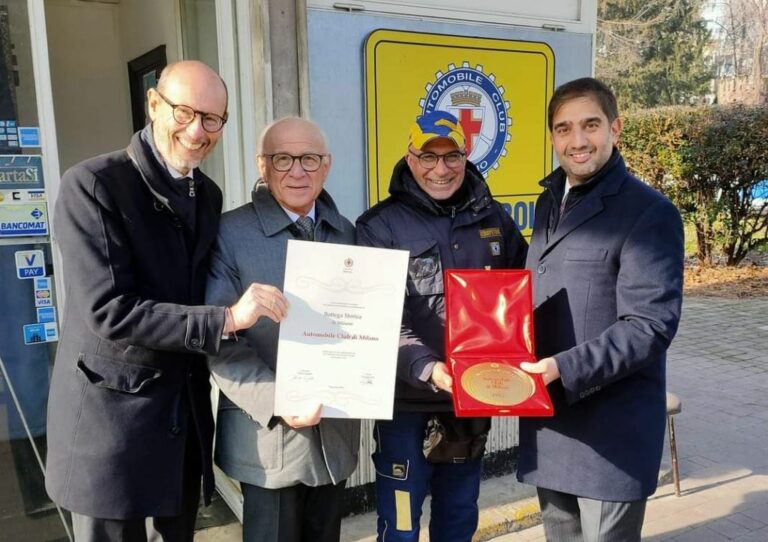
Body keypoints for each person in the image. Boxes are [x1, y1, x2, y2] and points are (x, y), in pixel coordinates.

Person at [46, 60, 275, 541]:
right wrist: (227, 319)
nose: (197, 131)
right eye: (185, 112)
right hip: (113, 437)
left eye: (212, 119)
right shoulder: (93, 185)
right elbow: (110, 311)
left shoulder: (207, 194)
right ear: (153, 104)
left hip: (182, 429)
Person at [517, 77, 685, 541]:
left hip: (611, 434)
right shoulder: (550, 201)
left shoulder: (649, 212)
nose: (577, 140)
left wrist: (559, 367)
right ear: (552, 136)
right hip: (551, 428)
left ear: (615, 128)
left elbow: (649, 326)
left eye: (589, 125)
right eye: (563, 128)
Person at [356, 110, 528, 541]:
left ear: (466, 158)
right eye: (428, 157)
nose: (441, 169)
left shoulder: (495, 221)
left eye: (451, 156)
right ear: (410, 159)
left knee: (458, 517)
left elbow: (522, 295)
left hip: (471, 401)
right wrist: (428, 368)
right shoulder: (379, 227)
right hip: (406, 403)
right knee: (399, 523)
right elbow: (379, 320)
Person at [205, 117, 360, 542]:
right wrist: (280, 400)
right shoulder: (229, 233)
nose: (297, 171)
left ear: (326, 165)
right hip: (268, 437)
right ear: (262, 165)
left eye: (309, 159)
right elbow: (218, 339)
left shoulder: (346, 232)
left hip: (334, 436)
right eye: (283, 159)